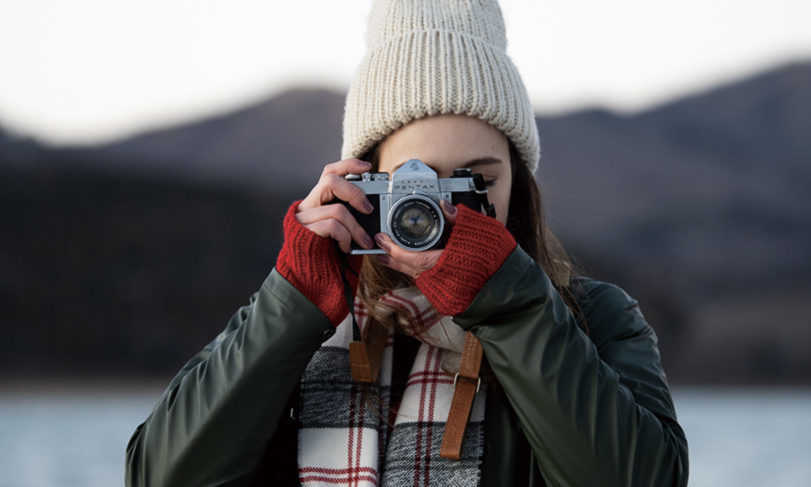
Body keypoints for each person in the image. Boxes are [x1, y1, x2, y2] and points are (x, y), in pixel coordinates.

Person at [125, 1, 688, 486]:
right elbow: (160, 476)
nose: (437, 213)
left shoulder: (595, 320)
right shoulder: (299, 321)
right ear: (364, 180)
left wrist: (509, 305)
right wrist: (292, 302)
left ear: (518, 187)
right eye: (414, 184)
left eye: (474, 184)